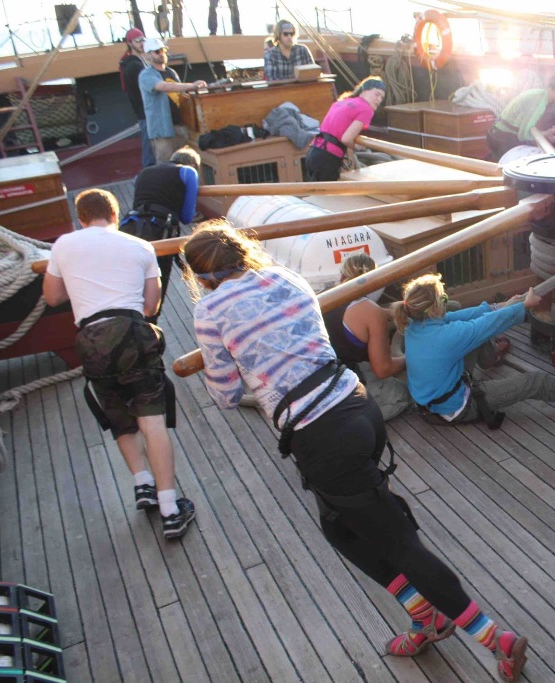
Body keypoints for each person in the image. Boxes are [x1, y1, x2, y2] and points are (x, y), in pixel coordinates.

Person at [181, 222, 529, 681]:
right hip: (357, 406)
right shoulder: (287, 277)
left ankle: (495, 639)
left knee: (399, 545)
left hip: (322, 437)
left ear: (201, 276)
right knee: (340, 531)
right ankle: (424, 614)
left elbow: (225, 395)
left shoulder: (210, 309)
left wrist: (236, 359)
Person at [42, 189, 195, 540]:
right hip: (131, 332)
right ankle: (170, 510)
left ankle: (142, 483)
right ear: (115, 215)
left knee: (118, 416)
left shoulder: (63, 245)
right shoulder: (140, 246)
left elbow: (52, 297)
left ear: (80, 219)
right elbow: (151, 306)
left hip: (90, 337)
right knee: (152, 420)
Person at [393, 274, 555, 427]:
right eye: (444, 299)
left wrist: (501, 305)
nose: (446, 301)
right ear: (434, 308)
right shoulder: (448, 336)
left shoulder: (414, 324)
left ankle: (490, 358)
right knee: (537, 382)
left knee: (474, 331)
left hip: (432, 401)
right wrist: (523, 306)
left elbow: (461, 316)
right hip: (454, 407)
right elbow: (485, 325)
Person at [322, 253, 413, 421]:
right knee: (405, 392)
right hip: (351, 383)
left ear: (342, 275)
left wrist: (391, 314)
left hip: (324, 379)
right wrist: (411, 358)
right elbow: (383, 369)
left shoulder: (325, 296)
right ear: (373, 281)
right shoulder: (371, 311)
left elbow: (358, 314)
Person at [120, 146, 201, 323]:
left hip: (131, 229)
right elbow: (187, 217)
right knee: (157, 284)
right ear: (193, 164)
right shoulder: (188, 173)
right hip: (159, 233)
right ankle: (149, 326)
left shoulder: (144, 173)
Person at [139, 37, 207, 163]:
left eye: (163, 50)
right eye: (157, 51)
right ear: (148, 56)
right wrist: (192, 85)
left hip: (181, 127)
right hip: (163, 132)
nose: (162, 53)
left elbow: (181, 94)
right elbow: (163, 86)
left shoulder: (172, 72)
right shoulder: (146, 75)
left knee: (186, 164)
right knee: (166, 167)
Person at [304, 76, 385, 182]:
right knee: (327, 192)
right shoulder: (366, 109)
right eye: (377, 94)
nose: (379, 100)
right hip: (327, 158)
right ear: (364, 90)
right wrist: (356, 147)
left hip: (313, 152)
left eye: (382, 97)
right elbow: (346, 139)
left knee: (314, 191)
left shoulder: (343, 101)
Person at [486, 73, 555, 160]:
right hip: (502, 140)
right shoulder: (539, 101)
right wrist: (544, 136)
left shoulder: (539, 94)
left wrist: (546, 133)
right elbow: (523, 135)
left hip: (497, 135)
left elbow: (527, 129)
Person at [118, 28, 154, 167]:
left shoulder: (138, 62)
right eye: (138, 41)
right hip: (145, 112)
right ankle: (148, 172)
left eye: (143, 40)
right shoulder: (134, 66)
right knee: (149, 148)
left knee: (150, 144)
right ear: (130, 43)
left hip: (145, 111)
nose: (141, 43)